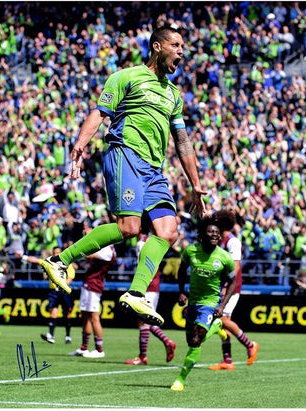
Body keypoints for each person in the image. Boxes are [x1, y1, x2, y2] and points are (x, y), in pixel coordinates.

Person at [39, 25, 208, 328]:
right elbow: (100, 113)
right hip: (125, 153)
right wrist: (79, 145)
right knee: (129, 228)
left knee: (168, 230)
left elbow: (182, 141)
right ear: (157, 47)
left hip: (154, 169)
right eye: (176, 45)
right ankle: (59, 261)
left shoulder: (173, 94)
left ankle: (136, 292)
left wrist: (196, 184)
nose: (182, 51)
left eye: (183, 46)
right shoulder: (126, 77)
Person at [171, 217, 236, 391]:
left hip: (211, 302)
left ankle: (180, 380)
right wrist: (182, 291)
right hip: (193, 301)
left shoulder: (224, 257)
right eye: (211, 231)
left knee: (195, 340)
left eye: (217, 232)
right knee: (191, 340)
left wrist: (222, 306)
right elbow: (182, 269)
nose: (214, 234)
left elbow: (233, 282)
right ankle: (215, 327)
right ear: (202, 235)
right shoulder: (191, 251)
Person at [208, 210, 258, 371]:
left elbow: (235, 267)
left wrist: (225, 287)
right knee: (224, 323)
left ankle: (250, 345)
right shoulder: (220, 240)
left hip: (231, 287)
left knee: (222, 320)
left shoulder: (233, 242)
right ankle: (227, 360)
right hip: (222, 286)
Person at [124, 230, 176, 365]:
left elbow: (145, 265)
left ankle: (145, 356)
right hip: (154, 283)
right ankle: (159, 347)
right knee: (144, 319)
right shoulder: (153, 240)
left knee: (143, 320)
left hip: (147, 284)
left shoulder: (142, 243)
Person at [16, 247, 75, 344]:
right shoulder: (50, 262)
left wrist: (62, 285)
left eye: (58, 253)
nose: (56, 254)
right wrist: (24, 257)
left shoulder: (67, 264)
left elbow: (70, 277)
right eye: (54, 253)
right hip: (53, 291)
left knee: (66, 314)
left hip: (63, 291)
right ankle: (51, 335)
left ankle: (68, 336)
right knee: (53, 313)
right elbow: (36, 260)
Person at [69, 240, 116, 359]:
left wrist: (77, 248)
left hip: (94, 286)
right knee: (85, 316)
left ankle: (99, 349)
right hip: (89, 283)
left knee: (94, 317)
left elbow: (89, 254)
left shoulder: (108, 251)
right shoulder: (106, 248)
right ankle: (84, 347)